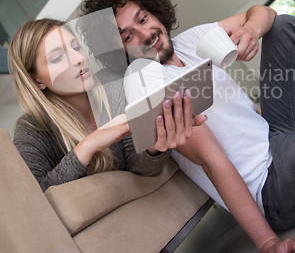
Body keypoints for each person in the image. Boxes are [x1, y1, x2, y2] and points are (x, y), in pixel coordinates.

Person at [79, 0, 295, 253]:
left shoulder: (189, 41)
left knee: (284, 27)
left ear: (155, 12)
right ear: (122, 52)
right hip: (273, 185)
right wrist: (268, 242)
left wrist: (251, 30)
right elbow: (212, 160)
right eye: (129, 36)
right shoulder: (143, 76)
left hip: (279, 134)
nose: (145, 34)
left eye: (143, 19)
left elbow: (260, 13)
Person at [8, 18, 203, 192]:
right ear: (36, 81)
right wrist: (87, 146)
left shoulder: (113, 84)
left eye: (76, 47)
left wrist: (155, 148)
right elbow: (34, 202)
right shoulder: (32, 130)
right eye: (58, 58)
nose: (79, 58)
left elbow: (140, 168)